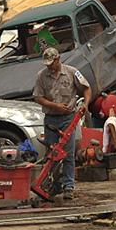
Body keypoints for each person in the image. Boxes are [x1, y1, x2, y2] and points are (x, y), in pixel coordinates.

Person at [33, 47, 91, 199]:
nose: (49, 67)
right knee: (52, 154)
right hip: (51, 118)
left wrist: (85, 104)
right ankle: (51, 185)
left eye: (52, 63)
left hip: (68, 119)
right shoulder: (41, 76)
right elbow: (38, 97)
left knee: (68, 153)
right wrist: (54, 105)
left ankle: (68, 186)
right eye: (47, 64)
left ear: (58, 59)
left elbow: (86, 88)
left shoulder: (71, 72)